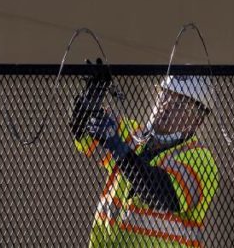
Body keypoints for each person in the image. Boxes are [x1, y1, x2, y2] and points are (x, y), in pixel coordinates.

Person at [71, 65, 219, 248]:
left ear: (197, 120)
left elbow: (162, 196)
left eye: (179, 104)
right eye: (165, 95)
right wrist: (87, 107)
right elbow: (86, 137)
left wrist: (118, 146)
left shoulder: (201, 159)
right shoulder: (133, 135)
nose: (166, 106)